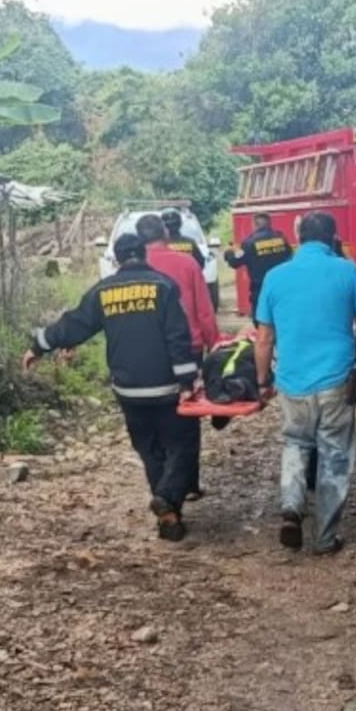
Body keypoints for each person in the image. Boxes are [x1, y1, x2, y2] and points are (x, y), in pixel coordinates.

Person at [23, 233, 201, 541]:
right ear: (144, 254)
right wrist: (187, 381)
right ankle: (168, 497)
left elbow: (74, 325)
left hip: (129, 391)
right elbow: (177, 337)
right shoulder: (163, 286)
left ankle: (169, 514)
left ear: (117, 259)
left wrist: (39, 346)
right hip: (167, 387)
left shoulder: (102, 292)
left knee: (149, 449)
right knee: (182, 445)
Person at [254, 211, 356, 555]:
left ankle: (292, 507)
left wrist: (263, 380)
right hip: (336, 379)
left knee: (295, 443)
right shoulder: (347, 271)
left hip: (292, 380)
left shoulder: (275, 276)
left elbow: (263, 338)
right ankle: (325, 538)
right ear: (332, 237)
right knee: (334, 455)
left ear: (299, 237)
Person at [135, 214, 218, 502]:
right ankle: (189, 484)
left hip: (145, 355)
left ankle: (163, 488)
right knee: (186, 422)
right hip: (188, 351)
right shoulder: (187, 263)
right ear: (166, 235)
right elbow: (204, 310)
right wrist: (214, 345)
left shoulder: (133, 270)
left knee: (150, 423)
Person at [224, 212, 291, 325]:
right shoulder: (281, 239)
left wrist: (230, 253)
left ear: (254, 225)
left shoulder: (249, 242)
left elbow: (235, 262)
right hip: (282, 288)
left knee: (261, 323)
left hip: (260, 289)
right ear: (270, 223)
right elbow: (290, 256)